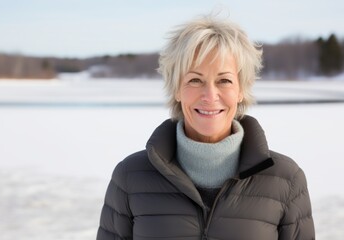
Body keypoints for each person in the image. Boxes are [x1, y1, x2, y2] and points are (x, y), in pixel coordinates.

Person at [96, 15, 315, 240]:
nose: (210, 96)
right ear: (177, 90)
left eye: (224, 81)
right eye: (195, 80)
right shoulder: (130, 177)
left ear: (241, 90)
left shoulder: (286, 180)